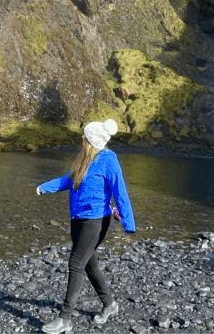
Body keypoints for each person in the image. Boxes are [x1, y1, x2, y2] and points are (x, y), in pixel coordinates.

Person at [36, 119, 136, 334]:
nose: (82, 140)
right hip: (77, 218)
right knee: (89, 265)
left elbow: (120, 192)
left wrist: (128, 222)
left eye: (85, 138)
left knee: (75, 264)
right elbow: (68, 181)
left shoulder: (109, 160)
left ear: (92, 141)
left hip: (96, 220)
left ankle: (65, 319)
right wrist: (45, 187)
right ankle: (110, 305)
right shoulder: (84, 159)